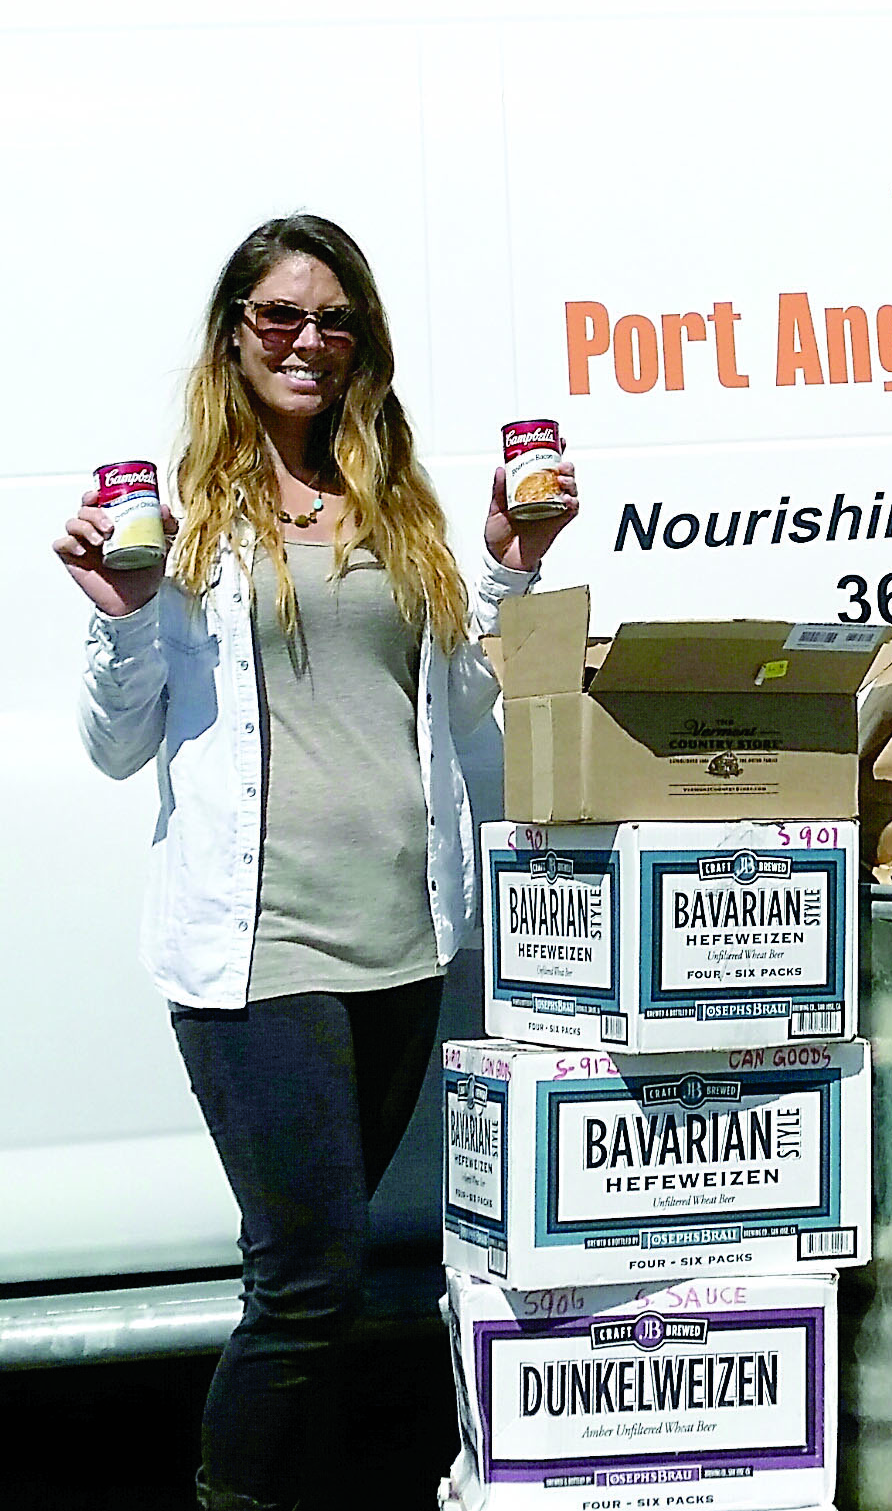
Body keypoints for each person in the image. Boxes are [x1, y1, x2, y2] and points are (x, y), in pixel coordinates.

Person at [56, 213, 578, 1511]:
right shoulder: (181, 522)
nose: (307, 340)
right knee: (306, 1277)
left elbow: (462, 709)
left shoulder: (396, 509)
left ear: (362, 345)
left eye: (333, 320)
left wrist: (512, 576)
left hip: (404, 939)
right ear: (235, 335)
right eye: (280, 315)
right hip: (261, 948)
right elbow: (117, 748)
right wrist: (122, 623)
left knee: (332, 1287)